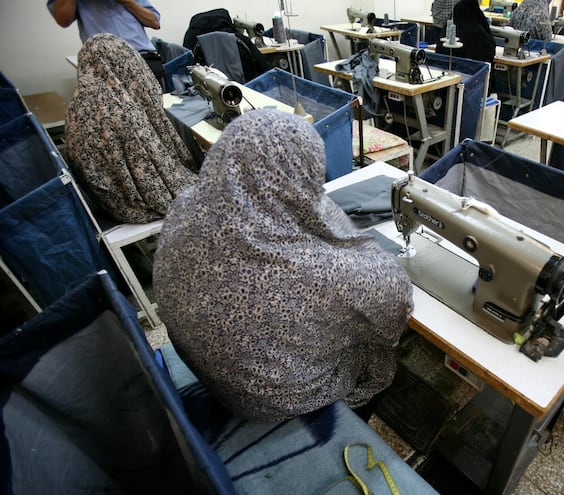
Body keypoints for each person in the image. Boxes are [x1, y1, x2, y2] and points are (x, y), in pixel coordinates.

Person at [153, 109, 415, 423]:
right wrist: (332, 225)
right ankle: (355, 419)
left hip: (211, 374)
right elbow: (397, 303)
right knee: (380, 355)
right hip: (275, 403)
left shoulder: (184, 208)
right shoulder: (321, 272)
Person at [65, 34, 197, 224]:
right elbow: (153, 187)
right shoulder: (119, 114)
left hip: (106, 200)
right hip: (131, 205)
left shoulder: (83, 100)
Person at [47, 0, 165, 85]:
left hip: (144, 59)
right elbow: (63, 19)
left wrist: (127, 2)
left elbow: (154, 22)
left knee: (156, 115)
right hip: (107, 65)